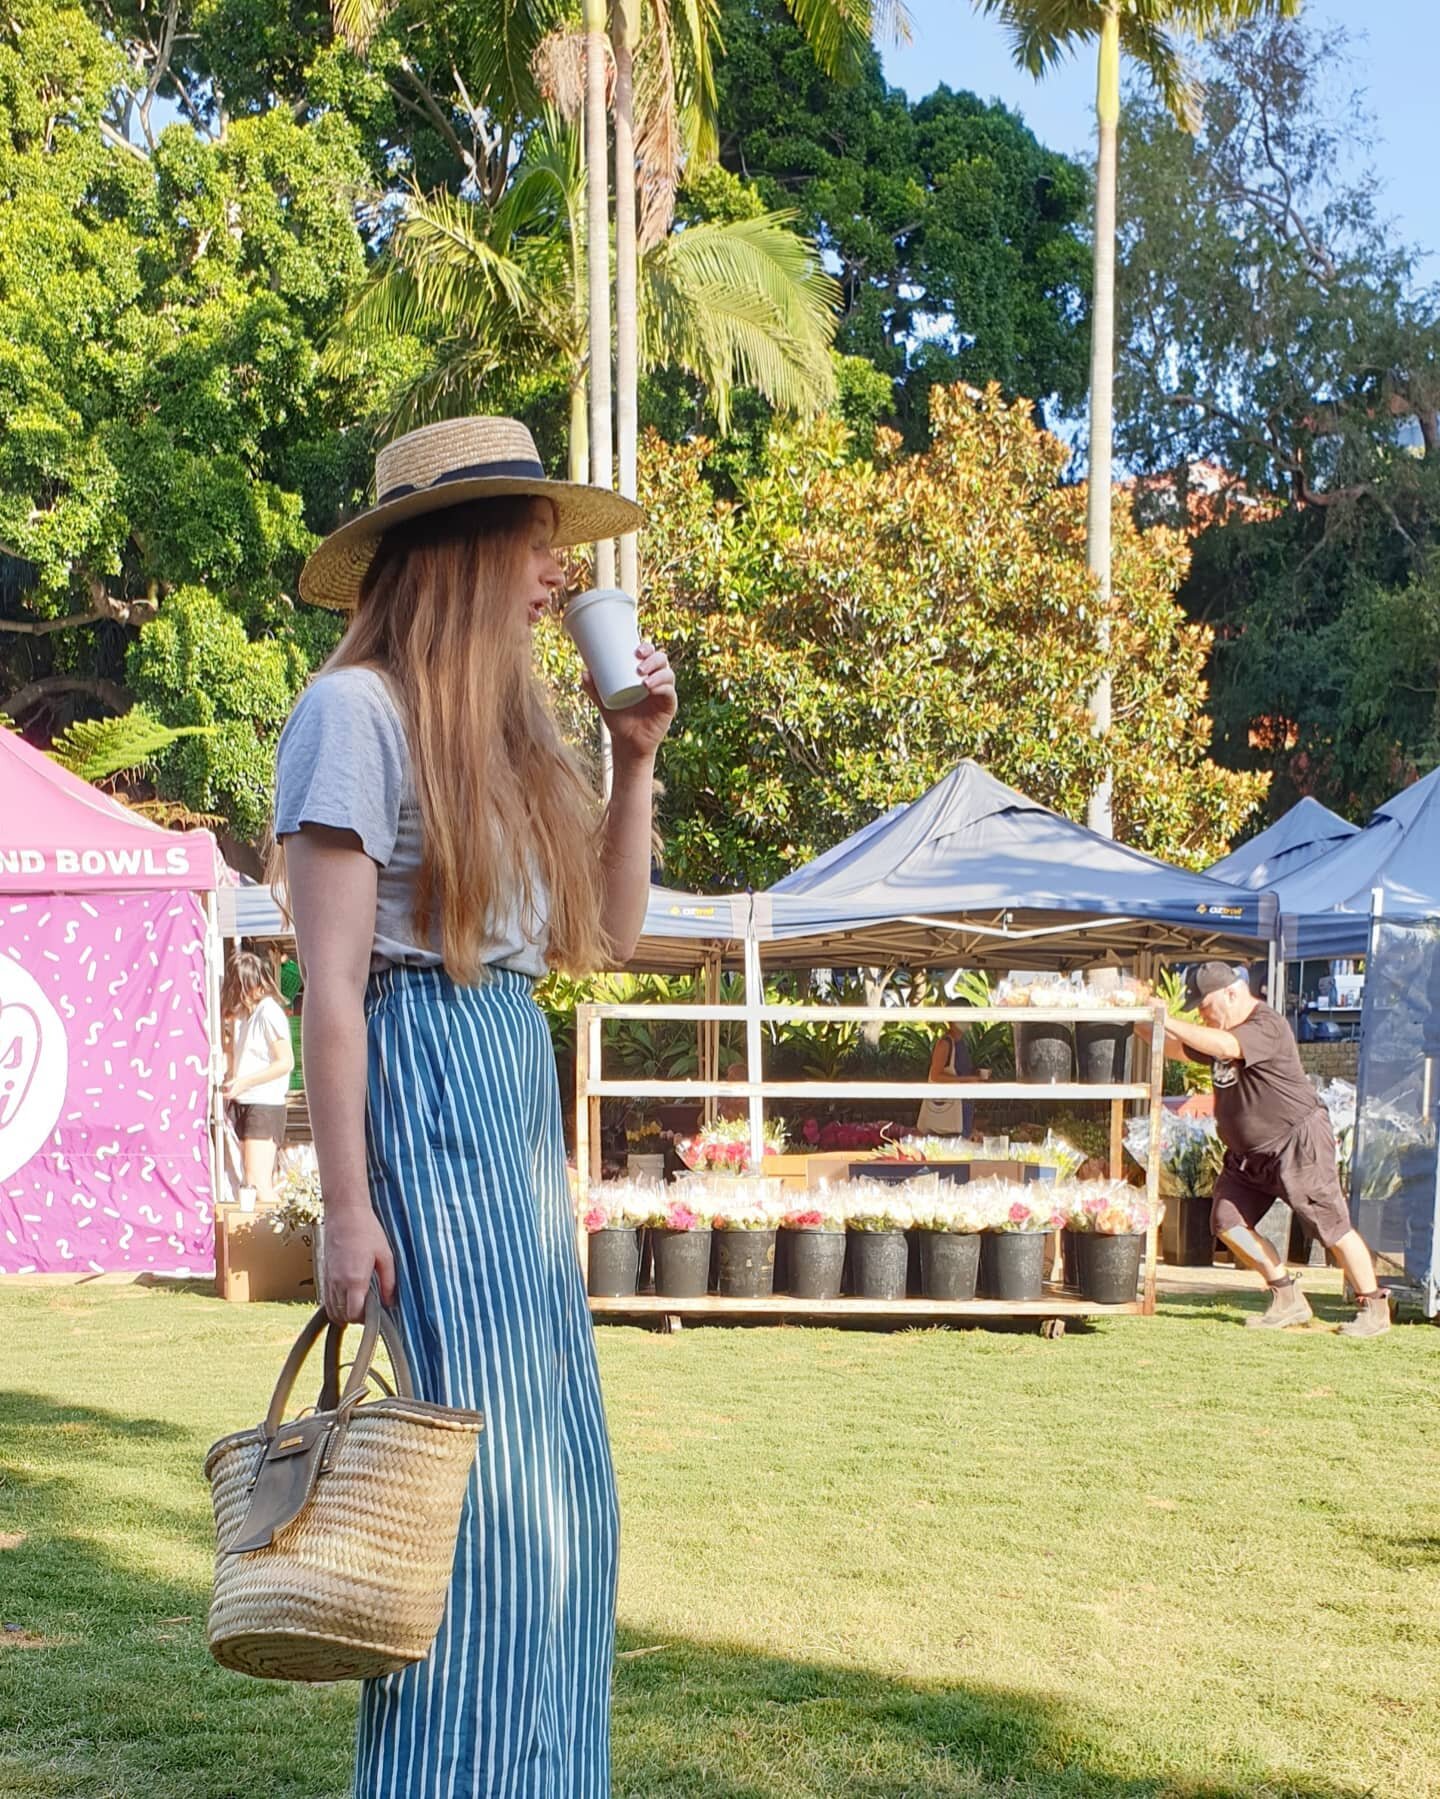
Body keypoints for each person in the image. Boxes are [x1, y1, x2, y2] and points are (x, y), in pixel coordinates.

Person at [271, 414, 675, 1799]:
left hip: (510, 1113)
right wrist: (345, 1208)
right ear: (461, 553)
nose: (557, 570)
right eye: (534, 539)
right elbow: (330, 986)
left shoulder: (509, 741)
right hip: (425, 1109)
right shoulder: (354, 715)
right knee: (476, 1521)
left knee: (569, 1512)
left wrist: (633, 757)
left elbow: (608, 936)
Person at [1139, 961, 1389, 1337]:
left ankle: (1374, 1306)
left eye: (1205, 1006)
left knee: (1331, 1229)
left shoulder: (1265, 1024)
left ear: (1232, 992)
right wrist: (1137, 1017)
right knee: (1227, 1223)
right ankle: (1287, 1296)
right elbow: (1174, 1049)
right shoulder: (1218, 1031)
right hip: (1248, 1158)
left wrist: (1166, 1018)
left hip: (1296, 1144)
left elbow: (1227, 1046)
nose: (1203, 1015)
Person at [220, 948, 294, 1205]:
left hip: (264, 1103)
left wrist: (243, 1082)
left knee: (257, 1184)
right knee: (250, 1184)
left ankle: (279, 1241)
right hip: (246, 1102)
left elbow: (285, 1062)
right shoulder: (245, 1015)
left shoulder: (268, 1012)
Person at [917, 1016, 989, 1138]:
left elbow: (959, 1071)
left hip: (962, 1113)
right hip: (948, 1115)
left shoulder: (961, 1043)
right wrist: (968, 1080)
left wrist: (975, 1075)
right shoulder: (945, 1043)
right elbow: (936, 1076)